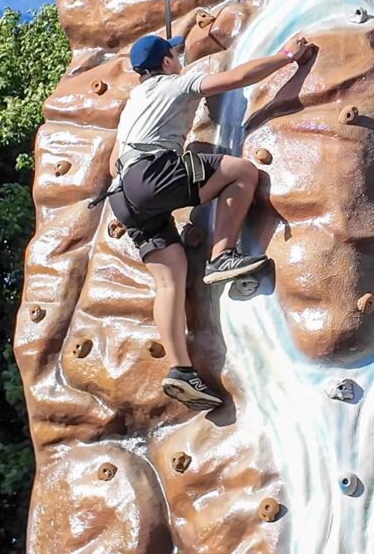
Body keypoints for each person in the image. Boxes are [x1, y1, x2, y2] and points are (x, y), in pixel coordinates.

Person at [101, 32, 312, 411]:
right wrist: (286, 56)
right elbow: (236, 78)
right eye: (174, 53)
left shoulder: (133, 101)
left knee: (170, 279)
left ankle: (181, 369)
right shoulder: (175, 83)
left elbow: (111, 161)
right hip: (151, 176)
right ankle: (222, 255)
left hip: (121, 195)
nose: (178, 58)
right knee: (242, 172)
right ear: (166, 62)